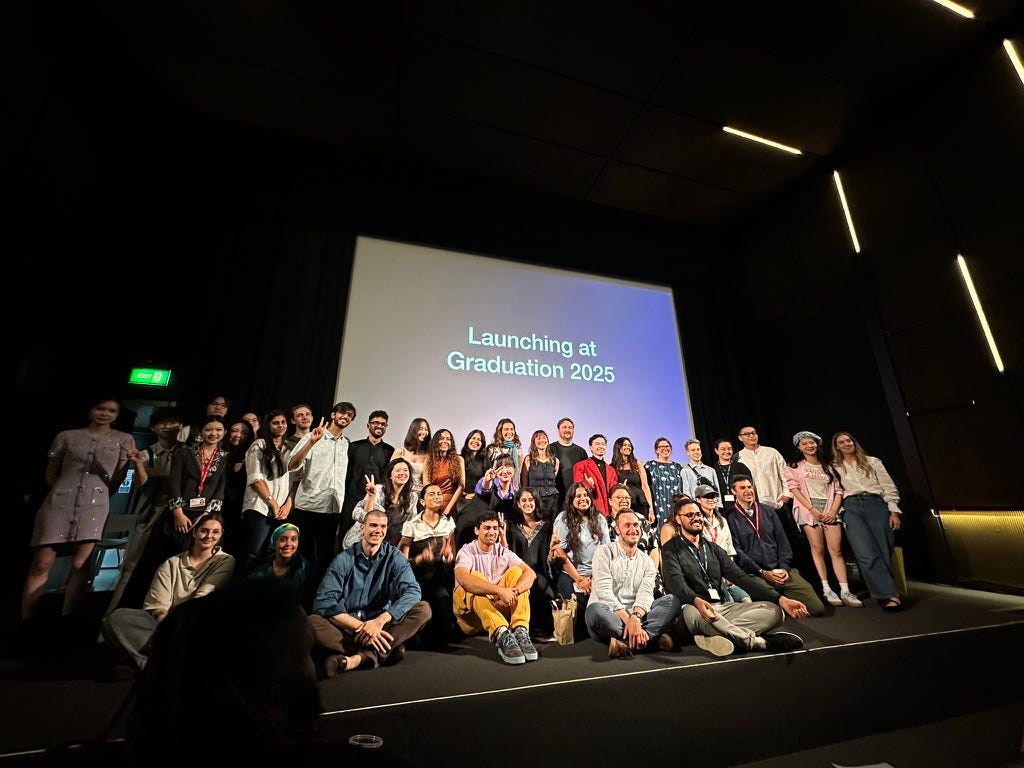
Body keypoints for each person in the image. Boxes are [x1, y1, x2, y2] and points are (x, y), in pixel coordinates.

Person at [23, 396, 145, 619]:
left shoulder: (124, 439)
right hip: (60, 501)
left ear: (117, 416)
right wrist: (64, 490)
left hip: (95, 504)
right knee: (42, 562)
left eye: (111, 411)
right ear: (90, 410)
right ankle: (27, 616)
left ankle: (68, 616)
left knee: (81, 563)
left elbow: (119, 476)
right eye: (100, 408)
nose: (105, 414)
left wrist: (102, 491)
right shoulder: (67, 436)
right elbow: (51, 471)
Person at [661, 498, 807, 657]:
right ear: (678, 519)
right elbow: (675, 583)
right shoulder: (670, 549)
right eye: (689, 515)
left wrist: (780, 599)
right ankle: (760, 642)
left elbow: (741, 577)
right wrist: (696, 600)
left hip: (723, 607)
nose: (696, 518)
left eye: (698, 514)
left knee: (775, 611)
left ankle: (715, 636)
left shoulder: (713, 549)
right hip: (692, 607)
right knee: (697, 615)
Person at [102, 512, 235, 670]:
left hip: (195, 624)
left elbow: (201, 600)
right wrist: (169, 629)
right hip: (166, 625)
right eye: (204, 530)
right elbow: (159, 606)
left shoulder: (224, 561)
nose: (209, 536)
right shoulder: (172, 563)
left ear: (221, 535)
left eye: (215, 532)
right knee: (118, 618)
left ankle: (157, 661)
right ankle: (160, 662)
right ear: (194, 532)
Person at [308, 508, 431, 675]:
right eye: (373, 525)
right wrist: (362, 627)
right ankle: (384, 650)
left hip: (382, 624)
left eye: (382, 526)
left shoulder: (394, 557)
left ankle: (352, 661)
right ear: (362, 529)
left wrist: (379, 621)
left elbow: (412, 591)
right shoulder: (343, 559)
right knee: (313, 622)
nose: (378, 531)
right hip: (348, 627)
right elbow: (324, 602)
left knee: (423, 609)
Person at [107, 406, 183, 612]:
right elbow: (141, 482)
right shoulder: (146, 453)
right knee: (131, 567)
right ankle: (113, 616)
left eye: (172, 422)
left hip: (177, 517)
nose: (168, 426)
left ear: (181, 425)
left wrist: (157, 472)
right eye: (162, 423)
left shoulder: (188, 452)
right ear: (153, 427)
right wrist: (143, 467)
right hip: (149, 515)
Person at [585, 509, 681, 660]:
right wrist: (629, 620)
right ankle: (650, 640)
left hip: (639, 616)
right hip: (612, 615)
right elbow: (604, 593)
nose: (633, 529)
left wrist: (636, 617)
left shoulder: (647, 561)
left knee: (672, 601)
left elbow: (646, 593)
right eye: (627, 525)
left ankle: (625, 644)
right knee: (595, 611)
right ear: (617, 530)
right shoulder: (603, 552)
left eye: (636, 525)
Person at [725, 475, 825, 616]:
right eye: (742, 488)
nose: (748, 491)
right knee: (771, 612)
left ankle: (785, 597)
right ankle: (783, 603)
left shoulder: (768, 511)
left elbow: (783, 542)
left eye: (749, 487)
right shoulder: (730, 517)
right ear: (733, 491)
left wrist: (784, 567)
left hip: (780, 570)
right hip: (756, 575)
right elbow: (738, 552)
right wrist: (761, 572)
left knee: (817, 608)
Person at [785, 430, 861, 608]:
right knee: (817, 549)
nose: (809, 446)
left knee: (836, 550)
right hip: (808, 509)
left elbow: (839, 490)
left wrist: (833, 510)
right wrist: (811, 510)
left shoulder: (828, 466)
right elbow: (794, 489)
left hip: (829, 509)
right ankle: (826, 588)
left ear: (817, 444)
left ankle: (845, 589)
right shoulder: (794, 467)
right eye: (804, 443)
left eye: (811, 443)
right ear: (799, 447)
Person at [453, 510, 539, 665]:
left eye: (495, 528)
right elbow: (463, 579)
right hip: (472, 618)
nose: (492, 532)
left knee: (516, 572)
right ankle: (502, 635)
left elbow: (530, 574)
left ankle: (520, 630)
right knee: (476, 578)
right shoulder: (467, 551)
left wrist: (514, 592)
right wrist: (499, 590)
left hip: (498, 608)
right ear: (476, 531)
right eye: (487, 528)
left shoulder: (503, 551)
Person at [832, 431, 905, 611]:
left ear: (853, 442)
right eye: (841, 442)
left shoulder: (872, 461)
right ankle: (891, 595)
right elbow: (834, 491)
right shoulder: (834, 467)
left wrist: (893, 511)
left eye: (848, 440)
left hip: (876, 504)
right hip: (851, 507)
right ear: (837, 447)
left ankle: (884, 593)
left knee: (883, 549)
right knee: (865, 552)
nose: (846, 443)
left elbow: (888, 486)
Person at [287, 402, 356, 584]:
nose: (345, 416)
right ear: (333, 415)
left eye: (350, 415)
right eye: (342, 412)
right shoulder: (313, 436)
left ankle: (315, 601)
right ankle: (297, 598)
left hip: (332, 509)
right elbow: (292, 465)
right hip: (308, 506)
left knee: (325, 559)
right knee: (303, 558)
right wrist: (310, 443)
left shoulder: (345, 444)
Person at [398, 483, 457, 648]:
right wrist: (419, 558)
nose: (437, 496)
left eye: (439, 493)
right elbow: (401, 560)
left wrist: (447, 556)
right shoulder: (412, 525)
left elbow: (453, 557)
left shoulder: (449, 523)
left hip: (443, 577)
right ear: (422, 501)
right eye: (432, 494)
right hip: (419, 577)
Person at [550, 481, 611, 636]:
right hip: (572, 574)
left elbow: (606, 551)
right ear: (571, 500)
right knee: (579, 600)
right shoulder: (563, 519)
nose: (583, 498)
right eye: (578, 496)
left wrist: (594, 577)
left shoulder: (599, 518)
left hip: (597, 573)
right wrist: (580, 579)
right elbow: (560, 555)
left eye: (585, 495)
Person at [238, 410, 295, 574]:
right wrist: (273, 503)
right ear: (268, 426)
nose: (280, 426)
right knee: (253, 554)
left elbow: (295, 479)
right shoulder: (259, 445)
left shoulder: (289, 448)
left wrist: (287, 505)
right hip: (260, 508)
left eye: (283, 422)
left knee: (273, 556)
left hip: (281, 511)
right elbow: (255, 478)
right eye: (276, 423)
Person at [505, 487, 556, 642]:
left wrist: (553, 551)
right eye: (524, 500)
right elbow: (506, 553)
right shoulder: (511, 526)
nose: (528, 503)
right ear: (518, 504)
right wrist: (502, 537)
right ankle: (522, 630)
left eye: (530, 500)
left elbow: (550, 558)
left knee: (541, 587)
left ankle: (541, 631)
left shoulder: (547, 526)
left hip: (540, 573)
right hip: (518, 573)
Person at [691, 485, 753, 602]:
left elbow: (729, 548)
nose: (711, 500)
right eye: (707, 497)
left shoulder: (722, 521)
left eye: (714, 496)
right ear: (698, 500)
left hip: (726, 570)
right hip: (709, 573)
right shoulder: (697, 523)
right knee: (730, 602)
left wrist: (730, 572)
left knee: (746, 599)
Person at [340, 410, 394, 544]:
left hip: (374, 504)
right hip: (351, 500)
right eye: (376, 423)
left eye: (383, 424)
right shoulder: (354, 447)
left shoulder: (389, 451)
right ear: (368, 425)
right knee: (345, 538)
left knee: (370, 539)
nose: (379, 426)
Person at [344, 457, 420, 548]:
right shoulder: (379, 490)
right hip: (361, 539)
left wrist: (392, 549)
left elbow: (407, 526)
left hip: (385, 544)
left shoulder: (412, 497)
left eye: (405, 470)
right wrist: (371, 497)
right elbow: (364, 517)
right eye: (398, 470)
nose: (402, 473)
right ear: (390, 475)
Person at [456, 453, 519, 549]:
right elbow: (485, 488)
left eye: (508, 466)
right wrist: (487, 480)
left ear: (514, 470)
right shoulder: (488, 482)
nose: (505, 471)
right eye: (500, 467)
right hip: (470, 532)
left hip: (492, 538)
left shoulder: (514, 495)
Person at [219, 419, 255, 556]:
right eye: (234, 431)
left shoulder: (250, 455)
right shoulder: (218, 451)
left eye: (244, 433)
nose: (238, 435)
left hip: (238, 509)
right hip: (216, 504)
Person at [246, 522, 312, 594]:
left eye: (294, 539)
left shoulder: (304, 568)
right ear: (274, 542)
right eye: (283, 540)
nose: (288, 544)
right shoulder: (260, 568)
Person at [736, 426, 789, 512]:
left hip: (777, 503)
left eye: (754, 433)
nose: (752, 436)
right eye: (747, 434)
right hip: (754, 507)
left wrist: (786, 495)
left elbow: (785, 474)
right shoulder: (738, 457)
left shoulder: (772, 452)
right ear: (740, 438)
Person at [422, 428, 466, 518]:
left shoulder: (459, 460)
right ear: (435, 442)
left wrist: (447, 511)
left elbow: (461, 486)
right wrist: (434, 509)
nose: (445, 441)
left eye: (448, 439)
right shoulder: (428, 460)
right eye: (442, 438)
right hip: (433, 505)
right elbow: (426, 486)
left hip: (452, 504)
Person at [609, 436, 654, 523]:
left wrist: (651, 510)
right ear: (618, 447)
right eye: (625, 445)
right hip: (624, 504)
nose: (628, 447)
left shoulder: (637, 464)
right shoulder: (612, 467)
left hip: (641, 503)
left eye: (629, 445)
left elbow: (645, 486)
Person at [573, 433, 618, 518]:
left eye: (603, 444)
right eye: (597, 444)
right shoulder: (580, 466)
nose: (600, 446)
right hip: (591, 511)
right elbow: (578, 489)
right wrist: (588, 485)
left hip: (610, 512)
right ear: (590, 447)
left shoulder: (611, 470)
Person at [520, 429, 561, 520]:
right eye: (538, 438)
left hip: (553, 501)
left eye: (544, 438)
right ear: (534, 442)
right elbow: (524, 483)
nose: (541, 440)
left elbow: (554, 479)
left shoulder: (555, 461)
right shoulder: (528, 460)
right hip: (535, 500)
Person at [644, 436, 684, 528]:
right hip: (658, 507)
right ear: (656, 450)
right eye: (662, 447)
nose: (665, 449)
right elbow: (646, 487)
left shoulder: (677, 467)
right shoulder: (649, 466)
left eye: (667, 446)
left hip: (676, 506)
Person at [548, 417, 587, 510]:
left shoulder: (581, 451)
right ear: (558, 430)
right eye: (564, 427)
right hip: (555, 498)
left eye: (570, 428)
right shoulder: (550, 449)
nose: (567, 430)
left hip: (575, 498)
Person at [390, 417, 431, 493]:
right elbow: (390, 474)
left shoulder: (429, 455)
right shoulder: (401, 452)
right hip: (402, 493)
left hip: (421, 494)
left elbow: (427, 481)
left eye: (426, 429)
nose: (424, 432)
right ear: (413, 430)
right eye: (420, 429)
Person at [710, 437, 752, 509]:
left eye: (729, 449)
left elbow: (750, 486)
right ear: (716, 451)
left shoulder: (741, 467)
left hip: (742, 505)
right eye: (723, 449)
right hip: (721, 508)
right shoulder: (712, 470)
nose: (727, 451)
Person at [680, 439, 722, 504]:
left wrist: (718, 505)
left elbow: (717, 490)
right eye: (693, 450)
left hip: (711, 505)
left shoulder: (711, 470)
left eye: (698, 449)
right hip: (696, 507)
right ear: (687, 453)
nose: (696, 452)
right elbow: (686, 492)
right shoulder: (685, 471)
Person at [457, 428, 488, 518]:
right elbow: (454, 481)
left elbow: (489, 483)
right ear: (468, 440)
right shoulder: (459, 459)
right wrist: (464, 494)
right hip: (461, 499)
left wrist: (477, 495)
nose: (475, 441)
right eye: (473, 438)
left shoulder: (485, 461)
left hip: (479, 499)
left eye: (479, 440)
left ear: (482, 444)